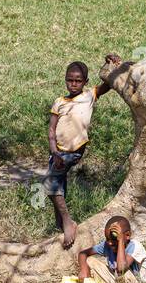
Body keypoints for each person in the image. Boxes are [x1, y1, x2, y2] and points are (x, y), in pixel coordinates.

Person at [47, 55, 122, 248]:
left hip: (73, 152)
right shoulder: (59, 102)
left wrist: (110, 65)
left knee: (51, 185)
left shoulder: (89, 95)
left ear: (85, 82)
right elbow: (51, 130)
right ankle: (60, 225)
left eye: (78, 81)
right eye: (70, 80)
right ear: (65, 80)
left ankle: (67, 222)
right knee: (57, 187)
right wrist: (54, 152)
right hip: (58, 152)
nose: (73, 84)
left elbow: (107, 84)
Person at [77, 214, 146, 283]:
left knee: (121, 272)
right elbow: (83, 253)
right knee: (89, 260)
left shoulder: (135, 246)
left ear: (127, 235)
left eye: (114, 239)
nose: (110, 243)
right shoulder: (108, 245)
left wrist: (120, 241)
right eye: (107, 239)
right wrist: (84, 269)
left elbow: (121, 269)